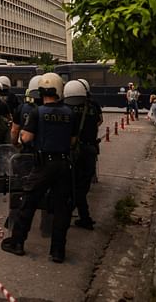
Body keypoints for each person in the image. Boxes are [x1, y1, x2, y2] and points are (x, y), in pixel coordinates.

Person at [1, 73, 75, 263]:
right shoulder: (69, 112)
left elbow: (25, 138)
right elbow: (73, 139)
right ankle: (58, 251)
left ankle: (17, 242)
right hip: (64, 164)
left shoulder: (37, 112)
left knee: (28, 203)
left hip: (42, 164)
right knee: (61, 208)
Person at [63, 79, 102, 230]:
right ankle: (84, 217)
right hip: (90, 150)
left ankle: (67, 216)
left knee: (70, 186)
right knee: (82, 186)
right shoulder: (92, 106)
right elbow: (99, 121)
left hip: (72, 151)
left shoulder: (65, 108)